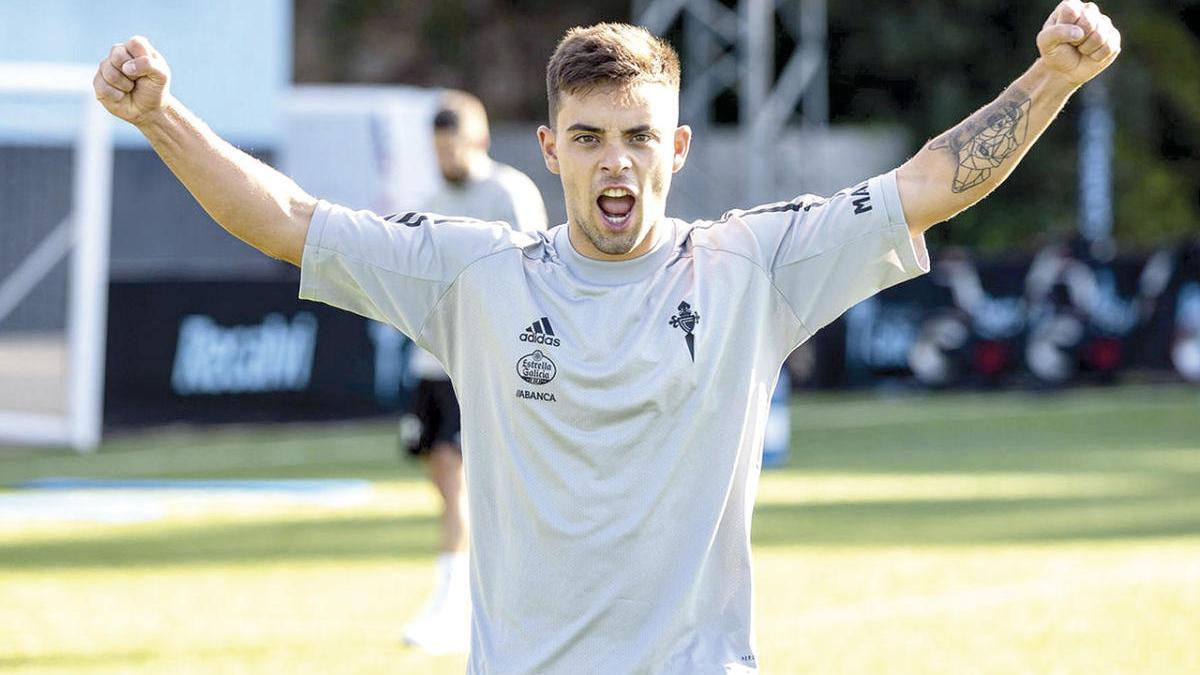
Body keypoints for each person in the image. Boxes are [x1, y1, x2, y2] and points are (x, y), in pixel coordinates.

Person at [92, 3, 1119, 670]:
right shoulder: (475, 273)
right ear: (550, 150)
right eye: (587, 138)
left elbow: (932, 183)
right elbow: (286, 220)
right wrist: (163, 118)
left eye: (636, 137)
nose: (613, 163)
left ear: (675, 146)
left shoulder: (753, 264)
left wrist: (1053, 79)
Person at [399, 90, 547, 654]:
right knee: (445, 482)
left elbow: (536, 273)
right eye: (437, 149)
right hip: (432, 364)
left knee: (474, 485)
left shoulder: (508, 193)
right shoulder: (429, 199)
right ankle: (458, 594)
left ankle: (459, 602)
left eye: (452, 147)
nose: (445, 158)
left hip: (488, 365)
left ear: (478, 140)